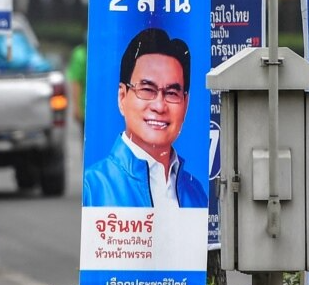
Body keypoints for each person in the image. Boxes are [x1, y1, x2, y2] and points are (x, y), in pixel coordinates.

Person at [82, 27, 207, 208]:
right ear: (122, 97)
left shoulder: (197, 193)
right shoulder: (93, 187)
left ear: (186, 103)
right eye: (147, 90)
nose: (159, 106)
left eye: (172, 93)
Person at [66, 43, 87, 132]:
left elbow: (76, 82)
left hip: (86, 108)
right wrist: (77, 108)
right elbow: (76, 83)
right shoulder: (81, 55)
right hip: (87, 108)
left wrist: (77, 108)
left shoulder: (80, 54)